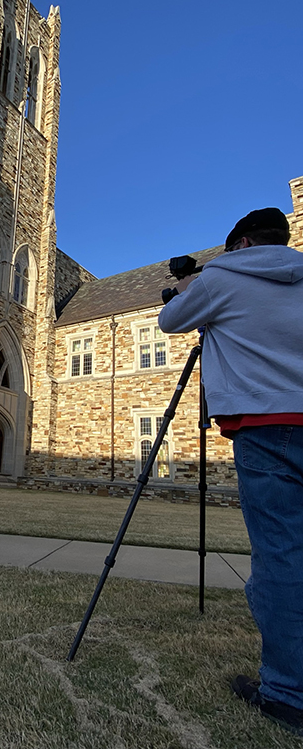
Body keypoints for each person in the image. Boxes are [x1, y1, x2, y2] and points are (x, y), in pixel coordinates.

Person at [159, 207, 303, 737]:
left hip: (266, 427)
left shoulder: (223, 277)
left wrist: (190, 285)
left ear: (240, 243)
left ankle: (288, 691)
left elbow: (170, 321)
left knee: (283, 556)